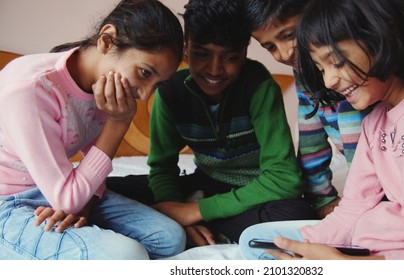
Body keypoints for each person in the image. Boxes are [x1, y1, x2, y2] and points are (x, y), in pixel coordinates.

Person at [239, 0, 404, 260]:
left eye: (336, 62)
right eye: (320, 68)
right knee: (256, 244)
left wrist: (359, 267)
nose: (328, 80)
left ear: (384, 34)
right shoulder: (375, 122)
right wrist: (303, 247)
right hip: (375, 246)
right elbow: (353, 207)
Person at [108, 0, 316, 247]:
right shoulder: (170, 92)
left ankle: (204, 224)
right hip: (203, 184)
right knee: (105, 189)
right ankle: (203, 225)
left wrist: (196, 212)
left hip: (255, 191)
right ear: (186, 48)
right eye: (202, 54)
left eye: (230, 57)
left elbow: (285, 178)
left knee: (299, 215)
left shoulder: (258, 86)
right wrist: (177, 212)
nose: (215, 70)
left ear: (245, 53)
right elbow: (163, 168)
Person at [0, 0, 186, 260]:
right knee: (126, 256)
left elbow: (86, 176)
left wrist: (82, 205)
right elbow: (68, 198)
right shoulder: (30, 89)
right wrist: (118, 123)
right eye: (145, 73)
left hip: (59, 190)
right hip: (9, 202)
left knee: (170, 238)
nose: (144, 95)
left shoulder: (104, 87)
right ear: (107, 41)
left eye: (157, 84)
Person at [243, 0, 372, 218]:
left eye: (288, 35)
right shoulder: (303, 73)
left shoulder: (355, 66)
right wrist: (323, 199)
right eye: (270, 47)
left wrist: (358, 205)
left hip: (383, 186)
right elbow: (311, 140)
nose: (284, 54)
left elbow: (359, 148)